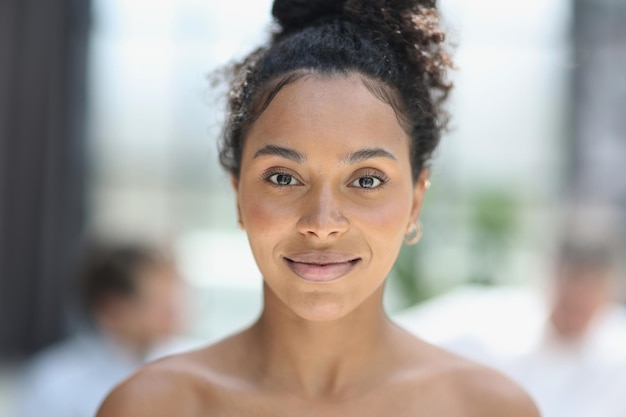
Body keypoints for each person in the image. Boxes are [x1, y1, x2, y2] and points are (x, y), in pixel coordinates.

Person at [97, 1, 540, 415]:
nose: (322, 223)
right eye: (283, 178)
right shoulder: (154, 406)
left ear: (415, 201)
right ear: (238, 195)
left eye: (367, 180)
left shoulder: (485, 409)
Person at [13, 243, 183, 417]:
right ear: (113, 309)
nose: (173, 311)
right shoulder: (54, 381)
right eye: (159, 302)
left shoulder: (182, 369)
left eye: (172, 298)